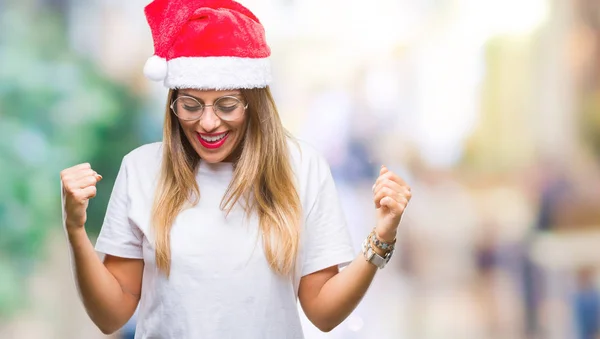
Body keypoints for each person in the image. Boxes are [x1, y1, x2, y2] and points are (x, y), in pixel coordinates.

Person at [59, 0, 412, 337]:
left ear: (254, 102)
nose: (208, 122)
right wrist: (75, 230)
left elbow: (323, 312)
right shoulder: (141, 169)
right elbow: (111, 315)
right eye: (191, 105)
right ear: (173, 105)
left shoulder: (302, 168)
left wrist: (382, 237)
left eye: (227, 105)